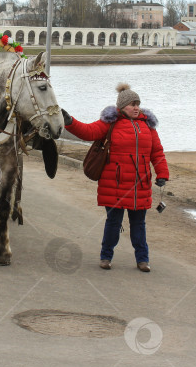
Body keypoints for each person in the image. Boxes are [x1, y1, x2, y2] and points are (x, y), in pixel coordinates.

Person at [62, 83, 169, 272]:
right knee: (113, 223)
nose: (136, 107)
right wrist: (70, 121)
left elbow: (157, 153)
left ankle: (142, 260)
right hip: (115, 184)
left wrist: (162, 174)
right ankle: (106, 257)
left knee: (139, 225)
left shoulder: (148, 126)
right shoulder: (110, 123)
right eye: (132, 104)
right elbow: (88, 132)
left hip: (140, 186)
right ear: (121, 107)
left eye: (138, 104)